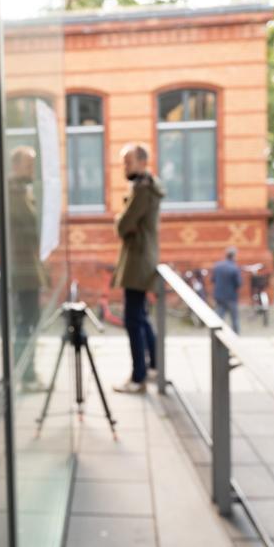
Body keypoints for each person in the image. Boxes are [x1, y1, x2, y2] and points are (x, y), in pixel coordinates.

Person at [111, 143, 164, 394]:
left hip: (137, 261)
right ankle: (154, 366)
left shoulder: (142, 191)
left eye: (128, 162)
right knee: (140, 317)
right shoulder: (146, 187)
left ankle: (138, 377)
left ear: (142, 162)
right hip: (142, 258)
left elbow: (123, 226)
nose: (125, 167)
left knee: (133, 320)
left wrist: (120, 220)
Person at [8, 146, 45, 392]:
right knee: (27, 323)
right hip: (22, 272)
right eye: (29, 164)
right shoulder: (14, 193)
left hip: (28, 270)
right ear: (16, 166)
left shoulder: (21, 191)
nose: (33, 169)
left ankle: (26, 372)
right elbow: (32, 228)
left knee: (30, 321)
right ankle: (25, 375)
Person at [213, 246, 242, 333]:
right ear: (234, 256)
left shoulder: (218, 266)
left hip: (219, 296)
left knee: (219, 317)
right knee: (235, 319)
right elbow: (238, 283)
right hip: (231, 296)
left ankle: (216, 334)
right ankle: (236, 336)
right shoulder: (234, 268)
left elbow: (213, 280)